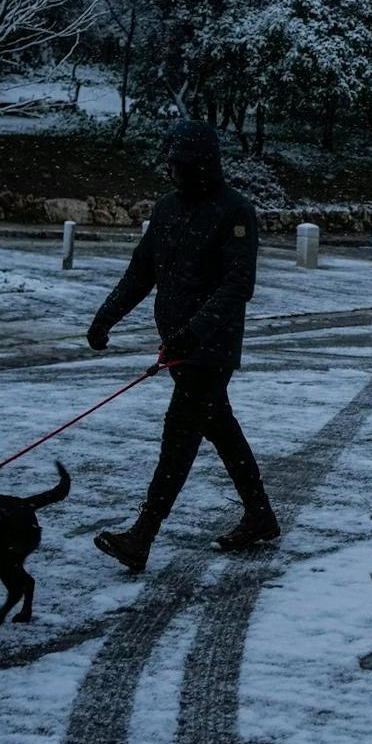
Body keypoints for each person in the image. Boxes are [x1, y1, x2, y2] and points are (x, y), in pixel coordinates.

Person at [86, 119, 277, 574]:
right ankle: (260, 514)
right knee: (220, 428)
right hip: (178, 346)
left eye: (176, 163)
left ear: (198, 164)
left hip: (211, 348)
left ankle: (142, 535)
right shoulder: (167, 208)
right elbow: (141, 271)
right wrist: (105, 317)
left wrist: (196, 330)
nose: (169, 171)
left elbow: (238, 285)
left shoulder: (235, 211)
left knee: (179, 435)